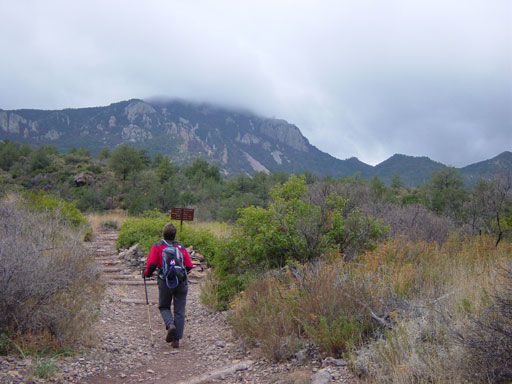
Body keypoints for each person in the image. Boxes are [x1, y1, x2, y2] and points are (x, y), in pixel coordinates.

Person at [143, 223, 194, 348]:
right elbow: (188, 266)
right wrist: (179, 274)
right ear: (175, 234)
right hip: (181, 282)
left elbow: (151, 265)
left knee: (164, 306)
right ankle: (176, 340)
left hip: (165, 281)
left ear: (163, 233)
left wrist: (146, 274)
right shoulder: (180, 247)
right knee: (180, 310)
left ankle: (170, 324)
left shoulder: (158, 246)